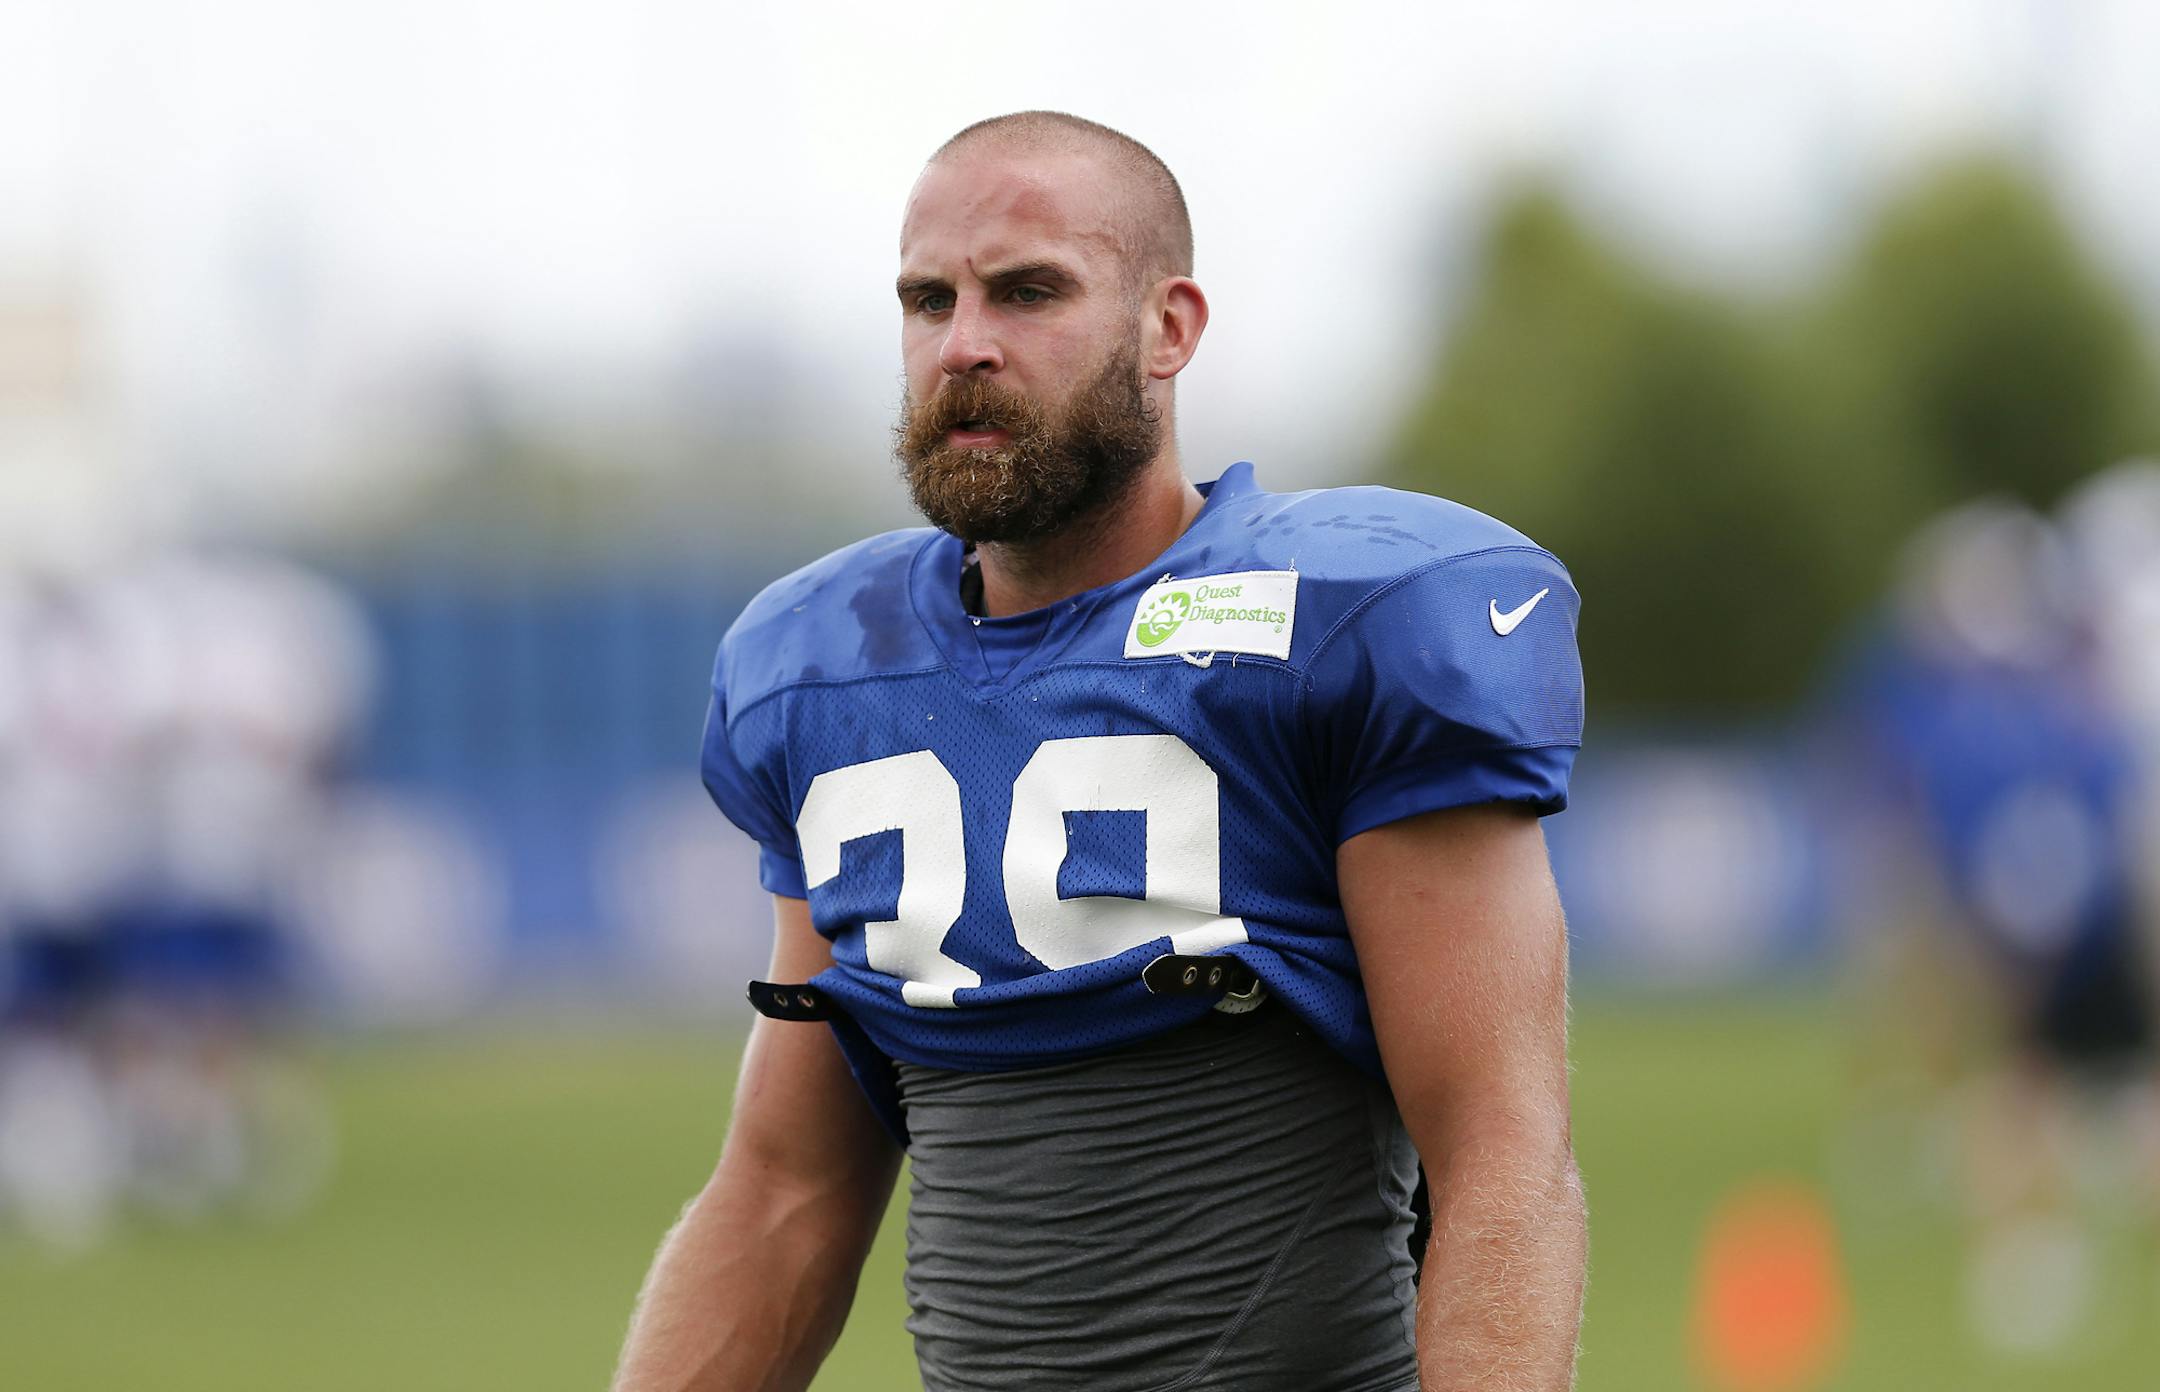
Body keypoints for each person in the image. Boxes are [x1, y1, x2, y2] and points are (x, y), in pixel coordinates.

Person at [613, 111, 1586, 1392]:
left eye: (1028, 293)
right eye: (927, 300)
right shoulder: (828, 673)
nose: (964, 344)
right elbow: (785, 1195)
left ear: (1168, 328)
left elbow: (1503, 1158)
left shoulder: (1346, 625)